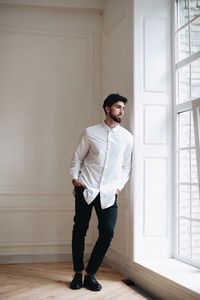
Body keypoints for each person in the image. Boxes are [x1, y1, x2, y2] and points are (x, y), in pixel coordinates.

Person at [69, 93, 133, 291]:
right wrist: (75, 178)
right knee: (80, 230)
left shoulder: (127, 138)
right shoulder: (90, 132)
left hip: (108, 193)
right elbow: (77, 158)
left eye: (123, 108)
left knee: (107, 232)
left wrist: (118, 187)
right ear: (107, 108)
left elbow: (126, 167)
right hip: (86, 188)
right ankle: (78, 273)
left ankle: (91, 274)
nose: (122, 111)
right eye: (118, 107)